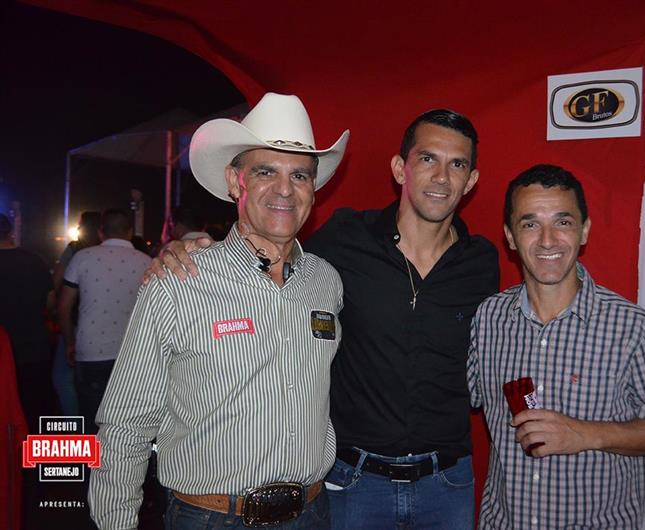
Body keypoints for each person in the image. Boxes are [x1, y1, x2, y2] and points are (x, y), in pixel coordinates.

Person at [156, 109, 499, 529]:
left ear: (471, 180)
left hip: (446, 486)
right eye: (428, 158)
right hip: (354, 484)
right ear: (400, 168)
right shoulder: (345, 238)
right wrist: (191, 246)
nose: (442, 177)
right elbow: (273, 244)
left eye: (457, 164)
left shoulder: (482, 263)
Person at [89, 92, 349, 530]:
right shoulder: (179, 282)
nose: (285, 189)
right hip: (210, 518)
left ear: (313, 189)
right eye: (265, 171)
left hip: (311, 514)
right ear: (234, 181)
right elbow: (125, 425)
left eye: (300, 175)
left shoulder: (327, 282)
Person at [467, 164, 645, 529]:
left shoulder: (633, 328)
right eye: (530, 224)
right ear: (510, 236)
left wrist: (584, 433)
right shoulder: (489, 318)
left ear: (584, 230)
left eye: (563, 222)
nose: (548, 240)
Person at [58, 208, 152, 434]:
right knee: (128, 426)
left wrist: (69, 342)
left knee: (91, 422)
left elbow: (63, 307)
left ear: (101, 232)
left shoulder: (82, 257)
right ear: (129, 232)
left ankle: (93, 457)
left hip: (90, 352)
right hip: (133, 356)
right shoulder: (147, 262)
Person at [0, 213, 55, 432]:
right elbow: (50, 302)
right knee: (35, 411)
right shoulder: (35, 261)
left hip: (3, 354)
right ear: (10, 232)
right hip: (34, 347)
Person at [52, 210, 102, 416]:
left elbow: (57, 282)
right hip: (105, 323)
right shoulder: (107, 251)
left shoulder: (75, 250)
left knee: (63, 378)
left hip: (74, 320)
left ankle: (75, 426)